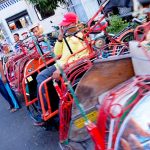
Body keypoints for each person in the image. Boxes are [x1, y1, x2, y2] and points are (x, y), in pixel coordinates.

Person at [35, 12, 89, 125]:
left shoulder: (80, 37)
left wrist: (61, 68)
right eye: (63, 25)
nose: (63, 27)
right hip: (61, 64)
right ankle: (46, 109)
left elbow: (82, 56)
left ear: (72, 24)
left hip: (68, 66)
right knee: (40, 76)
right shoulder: (66, 37)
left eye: (65, 25)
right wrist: (59, 39)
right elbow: (57, 53)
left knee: (42, 78)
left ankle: (45, 112)